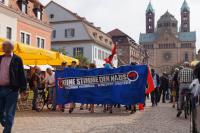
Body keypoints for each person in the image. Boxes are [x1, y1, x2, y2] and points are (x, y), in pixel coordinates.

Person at [0, 41, 27, 133]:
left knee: (9, 113)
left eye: (4, 46)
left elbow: (21, 74)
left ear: (10, 48)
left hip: (12, 90)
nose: (2, 47)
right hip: (0, 89)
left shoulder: (17, 59)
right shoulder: (0, 58)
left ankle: (7, 130)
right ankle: (5, 123)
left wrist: (23, 89)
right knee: (1, 113)